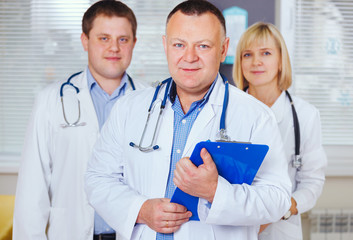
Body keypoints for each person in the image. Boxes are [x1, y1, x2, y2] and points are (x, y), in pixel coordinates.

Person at [85, 1, 292, 239]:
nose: (189, 57)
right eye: (179, 44)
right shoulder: (129, 108)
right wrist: (141, 210)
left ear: (224, 49)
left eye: (203, 46)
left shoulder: (256, 115)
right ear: (165, 45)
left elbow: (278, 199)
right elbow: (97, 179)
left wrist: (216, 192)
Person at [13, 1, 146, 239]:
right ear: (85, 41)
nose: (114, 48)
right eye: (103, 38)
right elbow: (32, 189)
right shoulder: (51, 101)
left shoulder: (151, 103)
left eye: (123, 39)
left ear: (134, 43)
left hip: (132, 233)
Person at [233, 22, 327, 240]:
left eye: (265, 53)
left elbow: (312, 183)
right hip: (234, 228)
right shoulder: (226, 111)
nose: (256, 62)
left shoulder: (306, 115)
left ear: (280, 60)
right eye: (247, 55)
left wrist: (279, 211)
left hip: (281, 230)